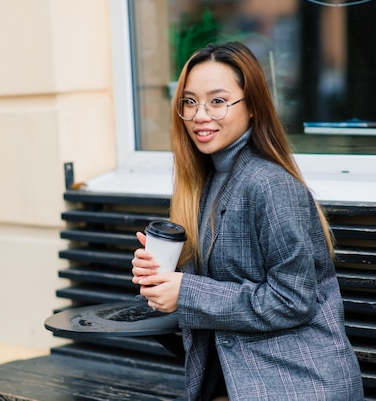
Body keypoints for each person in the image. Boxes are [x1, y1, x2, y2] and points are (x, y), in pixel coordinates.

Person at [132, 41, 364, 400]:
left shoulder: (269, 185)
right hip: (239, 377)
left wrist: (187, 292)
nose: (199, 115)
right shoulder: (206, 180)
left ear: (252, 106)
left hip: (296, 381)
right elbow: (227, 280)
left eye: (218, 101)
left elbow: (293, 300)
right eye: (190, 101)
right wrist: (164, 275)